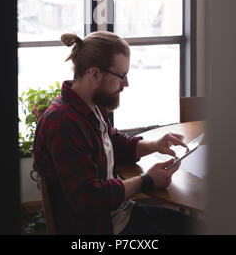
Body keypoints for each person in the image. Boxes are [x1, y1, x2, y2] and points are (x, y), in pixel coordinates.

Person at [33, 31, 202, 235]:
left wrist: (154, 145)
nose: (126, 83)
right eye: (121, 76)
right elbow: (88, 198)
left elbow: (113, 142)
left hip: (121, 215)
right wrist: (146, 181)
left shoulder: (90, 106)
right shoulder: (63, 124)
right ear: (94, 74)